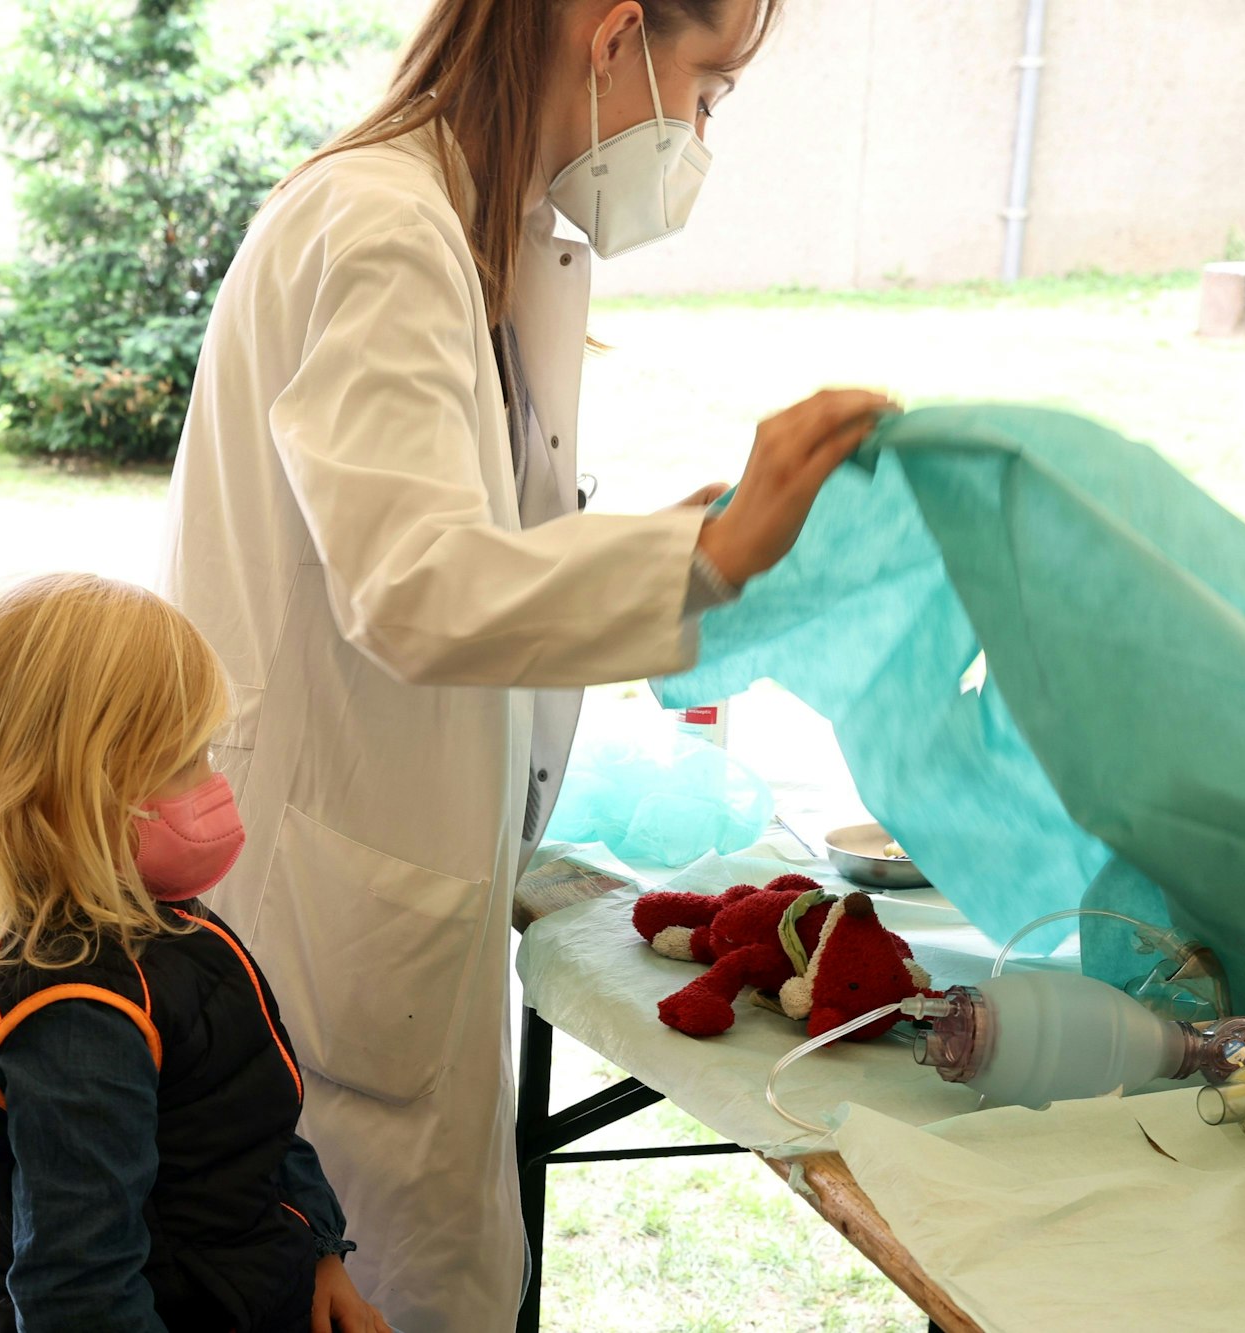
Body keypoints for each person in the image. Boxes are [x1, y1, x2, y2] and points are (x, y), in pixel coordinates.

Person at [157, 1, 897, 1327]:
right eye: (710, 90)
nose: (702, 134)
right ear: (613, 33)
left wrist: (690, 539)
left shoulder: (472, 230)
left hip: (382, 898)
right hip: (323, 943)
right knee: (384, 1276)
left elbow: (474, 561)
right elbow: (419, 586)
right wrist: (710, 556)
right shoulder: (384, 230)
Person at [0, 574, 392, 1333]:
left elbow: (248, 1125)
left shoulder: (141, 921)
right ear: (57, 783)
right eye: (179, 762)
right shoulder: (75, 1012)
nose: (210, 787)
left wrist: (320, 1254)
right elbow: (81, 1290)